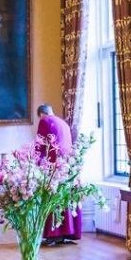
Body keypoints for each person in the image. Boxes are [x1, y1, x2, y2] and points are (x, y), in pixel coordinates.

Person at [36, 103, 82, 246]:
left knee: (52, 198)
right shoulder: (64, 123)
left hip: (54, 166)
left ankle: (54, 234)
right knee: (65, 198)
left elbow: (40, 144)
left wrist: (36, 163)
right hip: (68, 166)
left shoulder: (44, 121)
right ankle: (67, 232)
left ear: (41, 114)